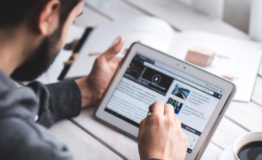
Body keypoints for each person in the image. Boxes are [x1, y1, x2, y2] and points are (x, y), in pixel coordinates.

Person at [0, 0, 188, 160]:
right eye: (73, 20)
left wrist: (87, 90)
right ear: (48, 14)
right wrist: (160, 156)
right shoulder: (35, 151)